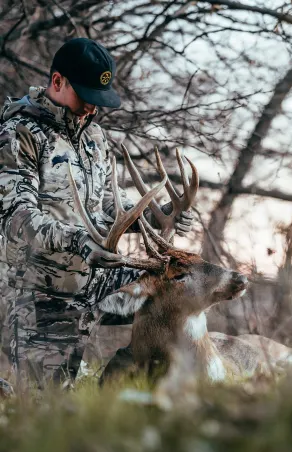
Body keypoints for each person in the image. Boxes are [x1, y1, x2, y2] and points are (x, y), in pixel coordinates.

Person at [0, 38, 193, 388]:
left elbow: (109, 206)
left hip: (96, 275)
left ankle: (121, 384)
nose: (91, 107)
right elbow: (16, 218)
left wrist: (157, 215)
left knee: (182, 286)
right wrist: (80, 240)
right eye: (85, 95)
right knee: (50, 408)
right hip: (41, 291)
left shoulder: (96, 139)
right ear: (57, 82)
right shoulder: (19, 134)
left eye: (98, 99)